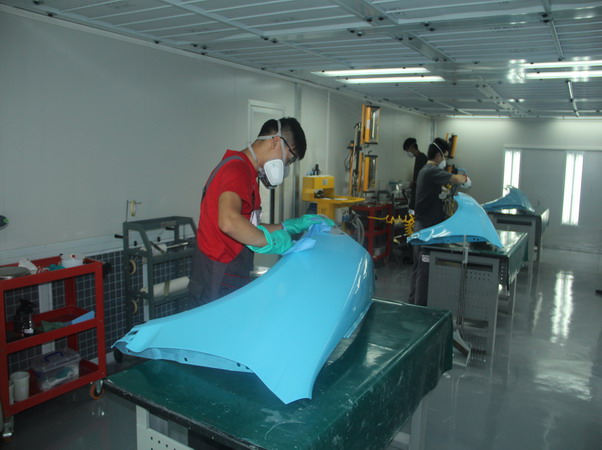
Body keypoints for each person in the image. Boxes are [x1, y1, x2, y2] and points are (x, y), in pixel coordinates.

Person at [189, 117, 332, 306]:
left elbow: (247, 225)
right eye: (288, 160)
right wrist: (271, 242)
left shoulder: (247, 172)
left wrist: (286, 226)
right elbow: (229, 221)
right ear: (275, 142)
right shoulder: (237, 170)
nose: (285, 167)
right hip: (217, 273)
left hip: (229, 269)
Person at [408, 138, 469, 306]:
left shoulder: (425, 170)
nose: (444, 160)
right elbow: (456, 179)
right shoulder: (431, 170)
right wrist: (465, 179)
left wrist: (440, 193)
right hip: (426, 229)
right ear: (438, 155)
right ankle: (420, 308)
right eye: (444, 157)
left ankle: (413, 304)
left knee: (418, 268)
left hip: (423, 226)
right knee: (424, 270)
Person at [403, 137, 428, 212]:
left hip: (420, 195)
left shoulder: (422, 158)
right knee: (412, 212)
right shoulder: (418, 158)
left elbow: (425, 177)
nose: (408, 152)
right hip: (417, 193)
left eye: (407, 150)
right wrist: (412, 183)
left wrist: (415, 183)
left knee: (415, 213)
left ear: (411, 147)